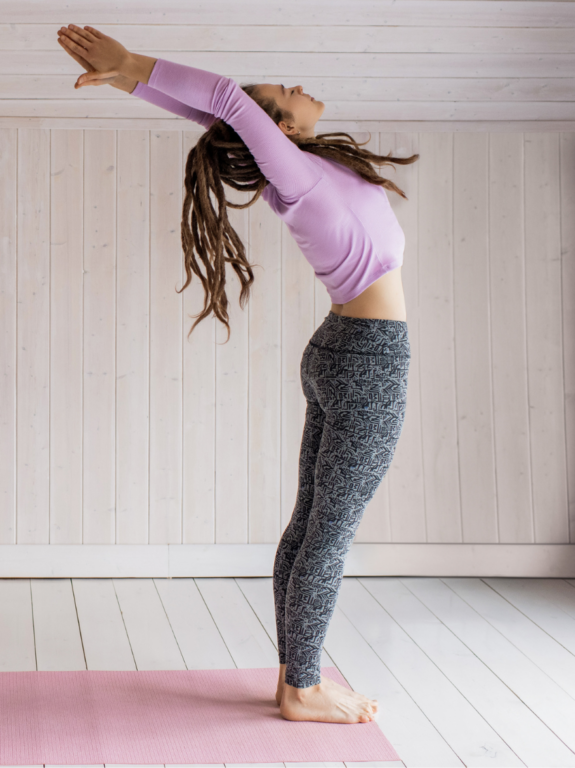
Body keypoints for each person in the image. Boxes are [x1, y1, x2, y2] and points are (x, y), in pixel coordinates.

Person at [58, 24, 418, 726]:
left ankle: (296, 676)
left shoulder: (304, 172)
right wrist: (131, 62)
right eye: (287, 93)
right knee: (328, 533)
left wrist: (131, 81)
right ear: (280, 127)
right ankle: (302, 687)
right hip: (368, 361)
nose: (301, 88)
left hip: (342, 352)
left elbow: (218, 113)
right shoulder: (299, 175)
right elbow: (225, 97)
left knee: (311, 527)